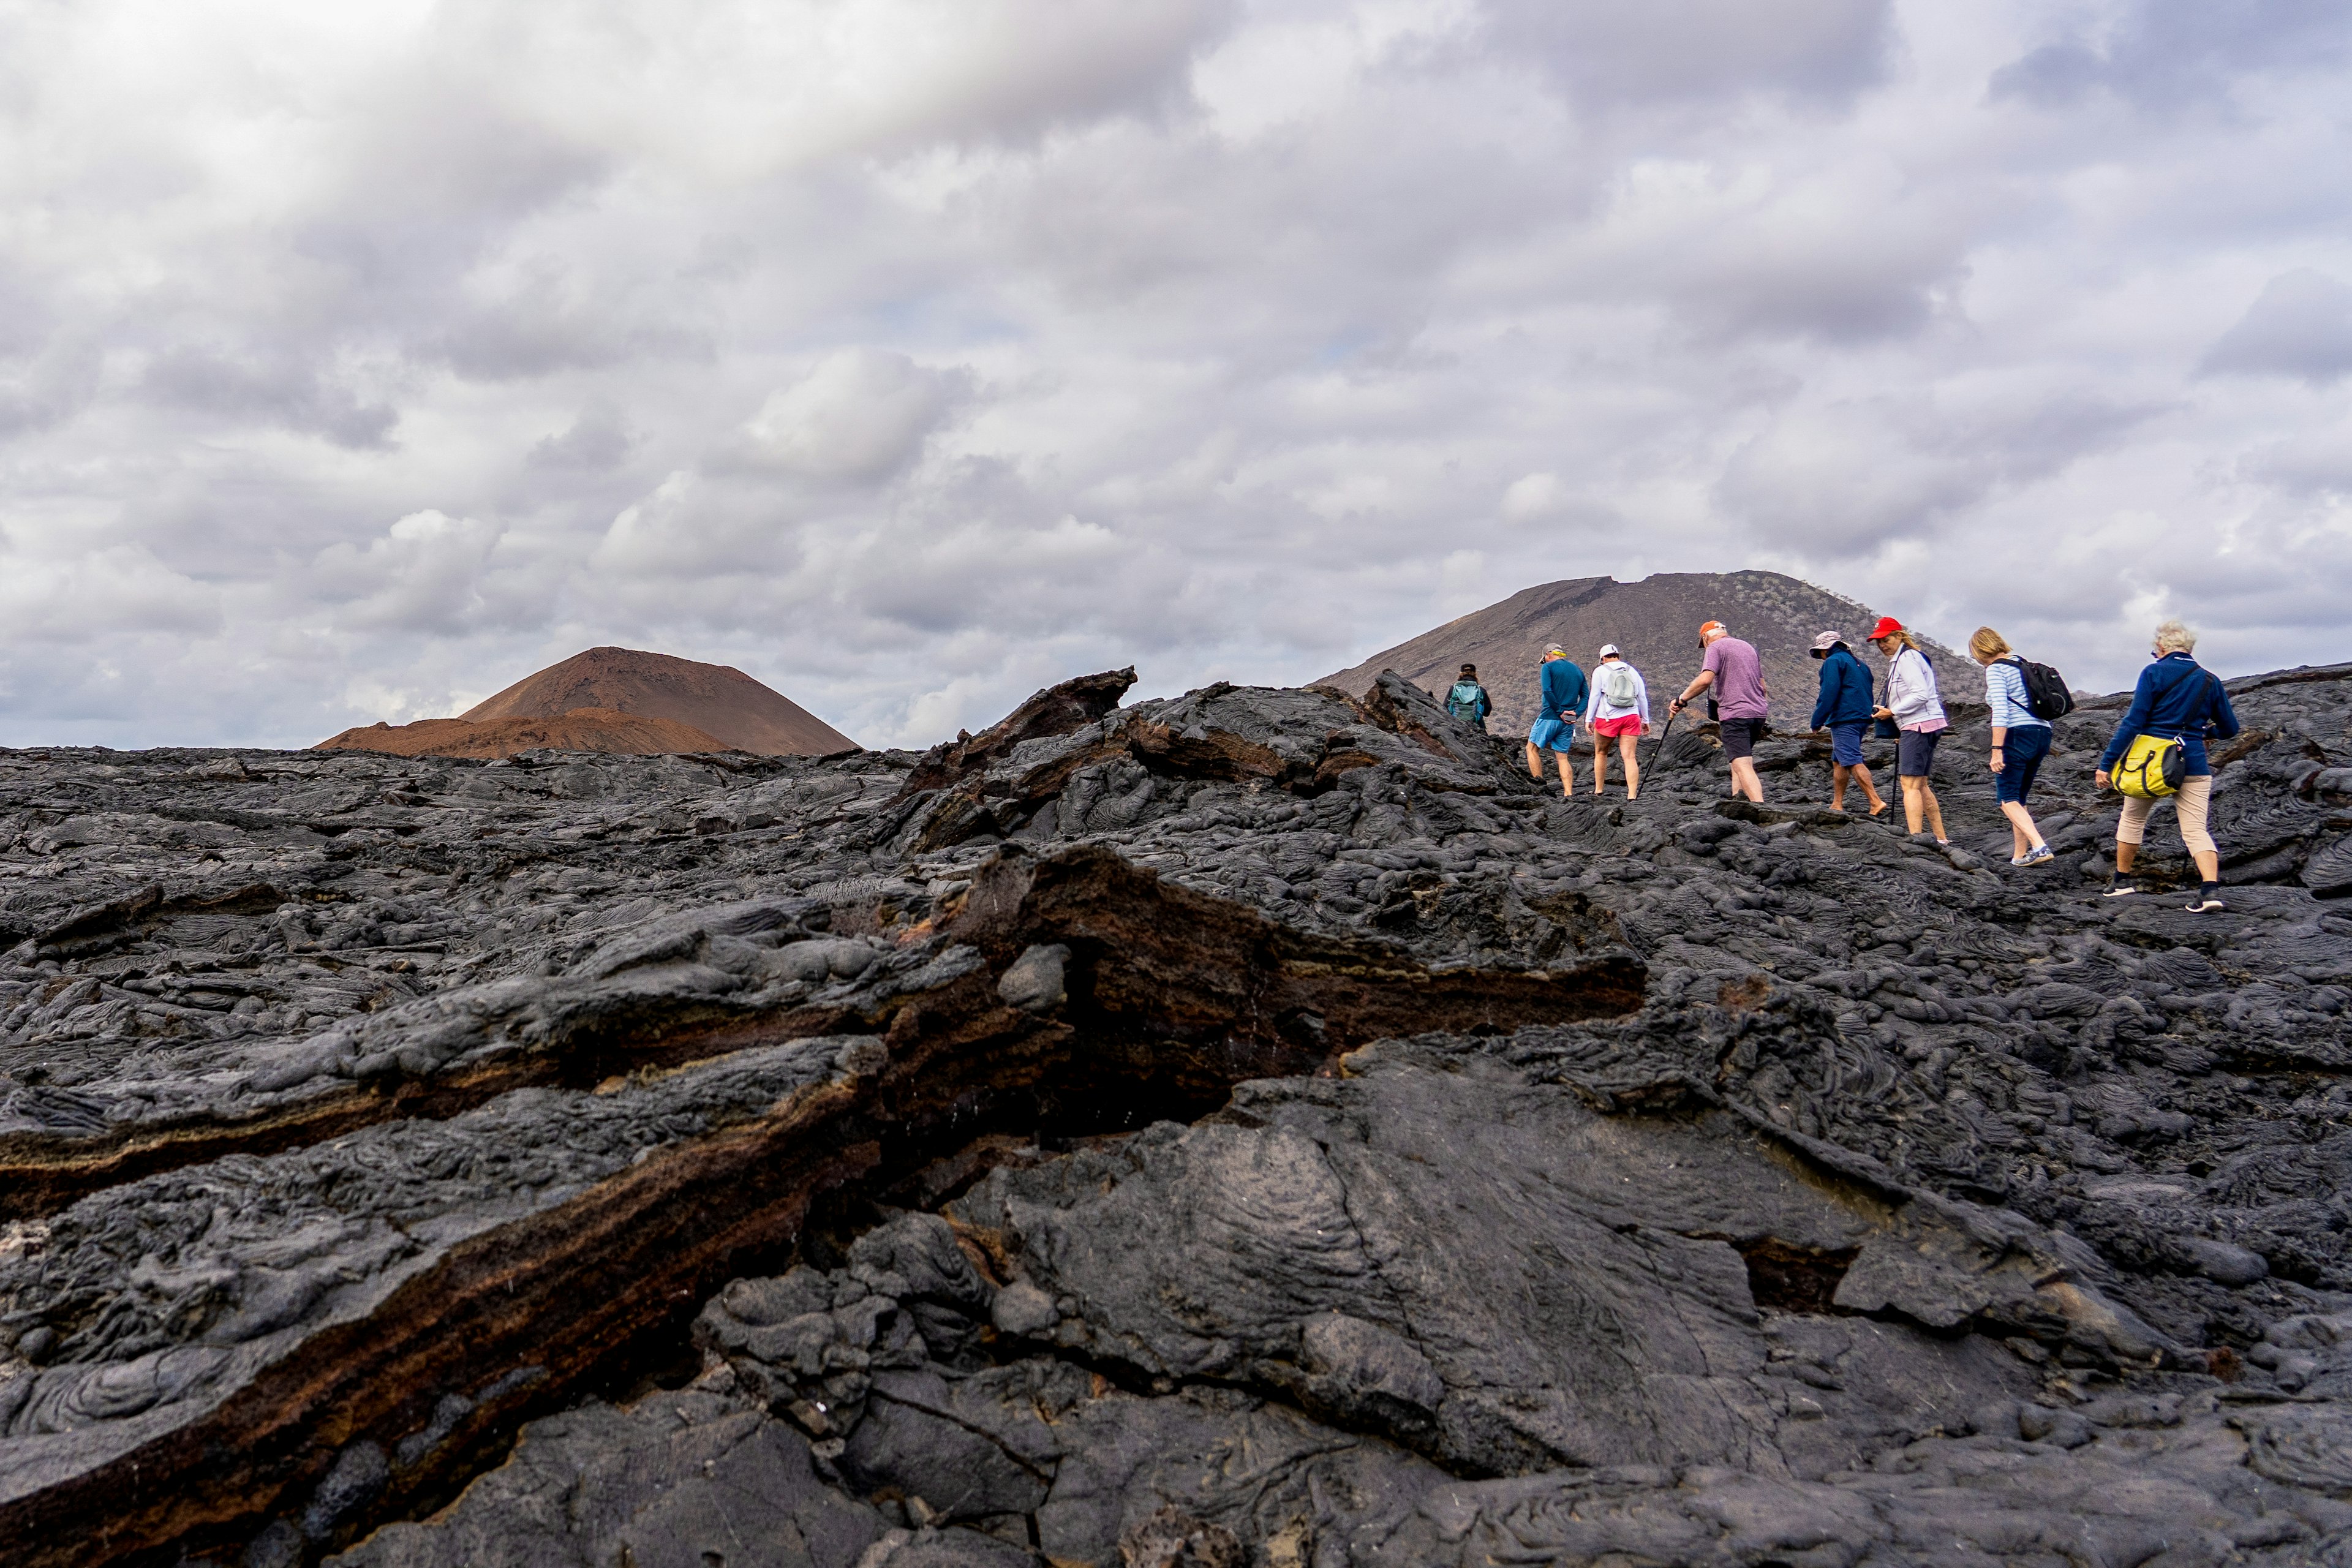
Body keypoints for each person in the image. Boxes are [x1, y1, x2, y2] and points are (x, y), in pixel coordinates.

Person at [2095, 619, 2241, 911]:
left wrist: (2107, 764)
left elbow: (2133, 722)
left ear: (2161, 647)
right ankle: (2210, 891)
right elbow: (2230, 729)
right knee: (2196, 830)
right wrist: (2204, 733)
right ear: (2189, 648)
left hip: (2149, 764)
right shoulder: (2210, 680)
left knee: (2133, 820)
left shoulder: (2154, 672)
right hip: (2194, 764)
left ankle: (2122, 881)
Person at [1970, 627, 2055, 867]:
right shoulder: (2022, 664)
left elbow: (2001, 710)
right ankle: (2020, 856)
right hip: (2043, 732)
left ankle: (2039, 846)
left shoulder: (1996, 669)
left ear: (1978, 651)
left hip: (2018, 734)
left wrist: (1996, 749)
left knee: (2007, 798)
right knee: (2019, 797)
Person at [1868, 616, 1949, 845]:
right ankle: (1940, 838)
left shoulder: (1907, 659)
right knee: (1921, 784)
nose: (1882, 645)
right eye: (1878, 642)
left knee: (1909, 784)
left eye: (1886, 639)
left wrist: (1892, 712)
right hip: (1924, 724)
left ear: (1899, 636)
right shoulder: (1908, 657)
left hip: (1919, 724)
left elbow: (1920, 694)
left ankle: (1916, 838)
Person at [1668, 620, 1766, 802]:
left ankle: (1760, 807)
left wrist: (1682, 699)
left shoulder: (1715, 647)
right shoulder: (1748, 648)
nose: (1705, 647)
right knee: (1738, 761)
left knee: (1742, 764)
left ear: (1706, 637)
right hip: (1758, 713)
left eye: (1703, 643)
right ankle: (1739, 802)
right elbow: (1763, 686)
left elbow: (1705, 680)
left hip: (1735, 713)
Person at [1806, 630, 1887, 817]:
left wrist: (1817, 721)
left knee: (1851, 758)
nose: (1822, 657)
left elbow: (1828, 693)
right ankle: (1837, 803)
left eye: (1821, 653)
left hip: (1845, 718)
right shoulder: (1861, 664)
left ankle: (1875, 801)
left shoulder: (1833, 662)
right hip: (1861, 717)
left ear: (1826, 649)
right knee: (1839, 761)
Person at [1581, 644, 1649, 799]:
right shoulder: (1632, 670)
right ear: (1617, 655)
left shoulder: (1600, 671)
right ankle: (1632, 795)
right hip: (1631, 717)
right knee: (1630, 757)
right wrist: (1645, 719)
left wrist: (1589, 719)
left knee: (1601, 752)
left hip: (1607, 718)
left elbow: (1595, 696)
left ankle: (1599, 790)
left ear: (1603, 658)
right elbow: (1642, 697)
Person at [1523, 645, 1588, 797]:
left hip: (1550, 716)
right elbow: (1586, 696)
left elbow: (1547, 690)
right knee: (1562, 757)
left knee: (1531, 749)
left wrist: (1560, 712)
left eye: (1544, 659)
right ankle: (1568, 793)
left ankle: (1539, 788)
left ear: (1548, 655)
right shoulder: (1577, 670)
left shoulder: (1548, 668)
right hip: (1568, 722)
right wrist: (1575, 714)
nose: (1544, 661)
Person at [1444, 663, 1492, 731]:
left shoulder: (1454, 689)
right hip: (1476, 727)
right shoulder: (1481, 690)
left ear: (1461, 674)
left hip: (1456, 726)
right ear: (1475, 674)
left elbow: (1445, 707)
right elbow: (1487, 712)